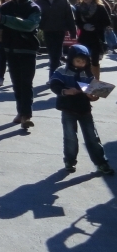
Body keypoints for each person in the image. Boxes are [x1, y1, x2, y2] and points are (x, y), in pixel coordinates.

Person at [49, 44, 114, 175]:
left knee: (92, 137)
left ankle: (101, 162)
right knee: (70, 137)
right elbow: (54, 85)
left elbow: (93, 91)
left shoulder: (88, 73)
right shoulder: (62, 71)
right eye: (78, 61)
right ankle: (69, 161)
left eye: (84, 61)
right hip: (67, 109)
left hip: (84, 109)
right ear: (71, 59)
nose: (81, 64)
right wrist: (65, 91)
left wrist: (93, 96)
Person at [0, 0, 40, 130]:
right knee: (17, 83)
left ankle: (26, 115)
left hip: (27, 49)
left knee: (26, 83)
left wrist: (5, 20)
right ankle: (20, 112)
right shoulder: (5, 6)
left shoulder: (33, 7)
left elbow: (29, 25)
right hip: (10, 49)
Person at [39, 0, 77, 75]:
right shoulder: (39, 1)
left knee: (56, 54)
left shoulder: (63, 1)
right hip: (47, 30)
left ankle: (53, 76)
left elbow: (69, 16)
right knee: (53, 54)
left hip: (59, 30)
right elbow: (36, 17)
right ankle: (59, 73)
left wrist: (73, 31)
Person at [74, 0, 111, 80]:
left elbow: (107, 22)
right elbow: (77, 21)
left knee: (95, 60)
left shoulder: (100, 7)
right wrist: (83, 26)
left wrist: (96, 27)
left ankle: (96, 80)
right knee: (83, 59)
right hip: (84, 36)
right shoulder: (78, 8)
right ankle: (85, 79)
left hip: (96, 36)